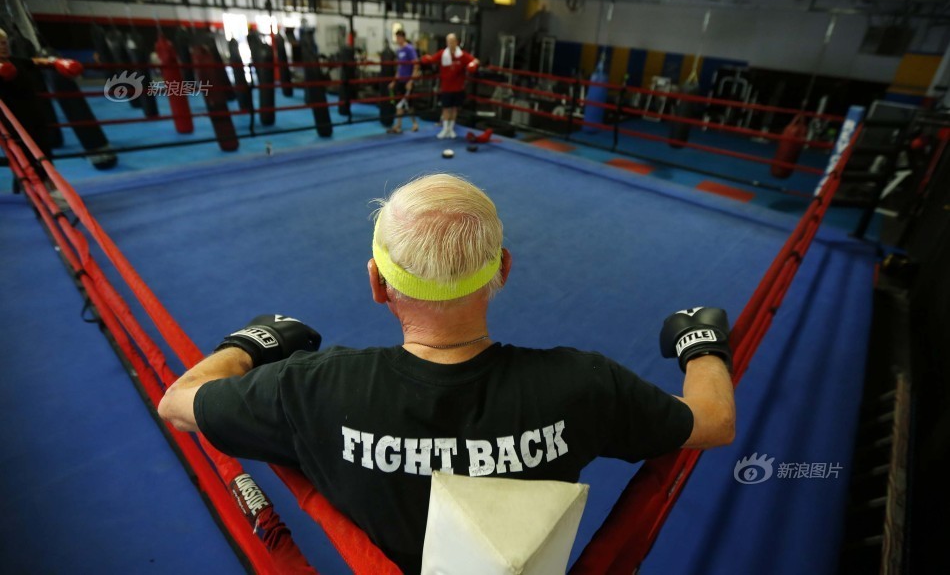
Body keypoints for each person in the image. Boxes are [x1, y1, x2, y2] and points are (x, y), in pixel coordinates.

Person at [158, 173, 736, 573]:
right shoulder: (583, 384)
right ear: (503, 268)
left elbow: (178, 402)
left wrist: (250, 345)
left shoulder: (311, 387)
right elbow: (712, 421)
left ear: (377, 283)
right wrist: (700, 346)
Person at [420, 33, 478, 139]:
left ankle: (451, 129)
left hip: (458, 87)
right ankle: (445, 129)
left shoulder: (462, 55)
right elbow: (432, 59)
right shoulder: (443, 54)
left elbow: (475, 60)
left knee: (454, 109)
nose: (450, 44)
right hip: (446, 87)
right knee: (446, 109)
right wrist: (425, 59)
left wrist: (472, 64)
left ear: (456, 42)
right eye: (449, 42)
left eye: (452, 41)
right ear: (447, 43)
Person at [387, 30, 420, 134]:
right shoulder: (398, 50)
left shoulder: (409, 49)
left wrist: (411, 81)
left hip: (407, 81)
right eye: (396, 38)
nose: (397, 40)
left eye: (398, 38)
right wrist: (394, 81)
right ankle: (398, 126)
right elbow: (399, 67)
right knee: (399, 104)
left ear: (403, 38)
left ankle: (415, 124)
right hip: (400, 81)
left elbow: (416, 65)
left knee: (408, 105)